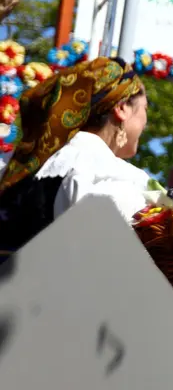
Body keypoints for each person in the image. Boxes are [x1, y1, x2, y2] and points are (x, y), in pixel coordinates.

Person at [0, 57, 150, 252]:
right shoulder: (115, 175)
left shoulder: (14, 168)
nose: (146, 121)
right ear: (121, 108)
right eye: (144, 108)